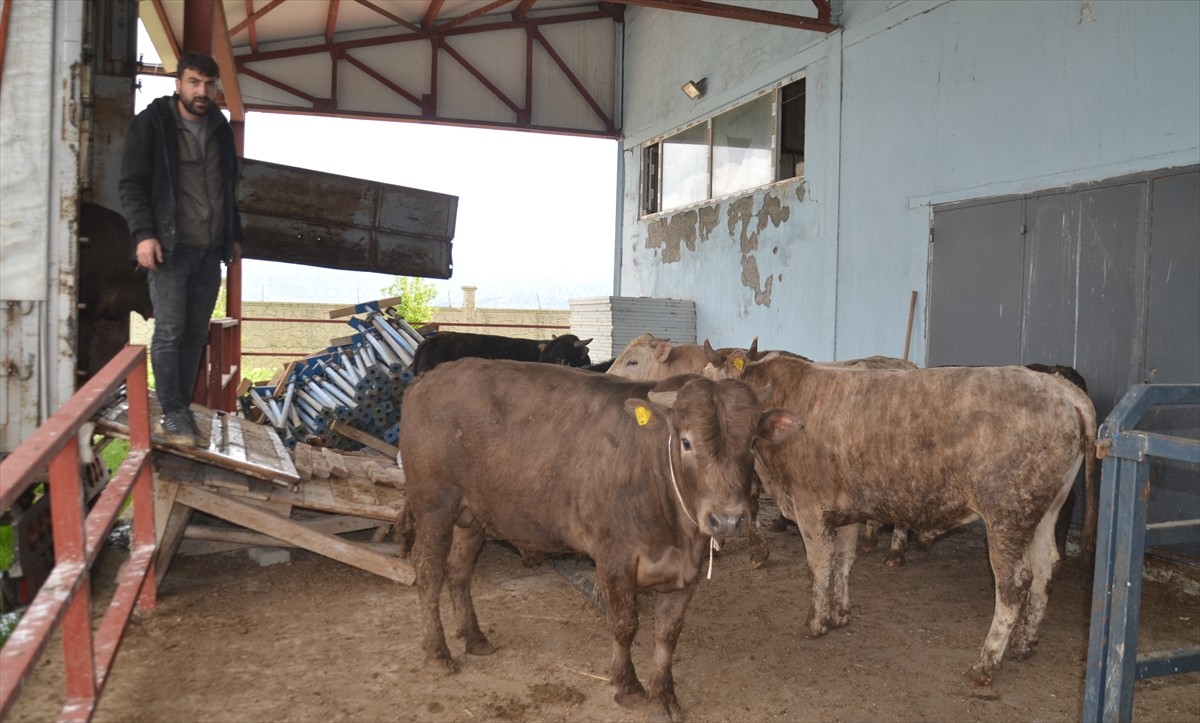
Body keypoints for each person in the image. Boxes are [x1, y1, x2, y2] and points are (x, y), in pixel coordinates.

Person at [119, 51, 244, 446]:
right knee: (171, 331)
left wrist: (233, 236)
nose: (202, 91)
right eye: (194, 82)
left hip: (209, 252)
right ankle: (173, 413)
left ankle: (181, 409)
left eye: (209, 84)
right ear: (178, 84)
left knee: (194, 334)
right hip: (170, 249)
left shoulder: (220, 129)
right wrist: (143, 234)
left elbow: (229, 188)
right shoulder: (152, 124)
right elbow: (132, 184)